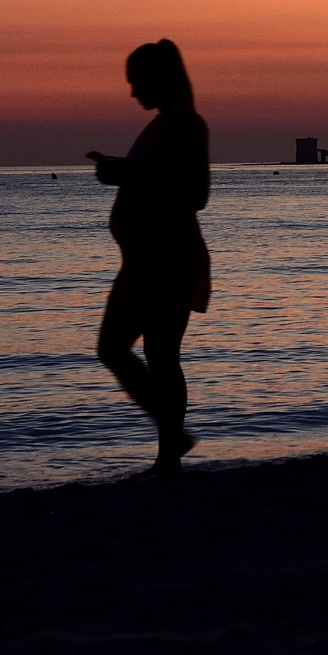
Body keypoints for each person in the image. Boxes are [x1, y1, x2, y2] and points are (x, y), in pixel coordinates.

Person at [87, 39, 211, 476]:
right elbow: (156, 175)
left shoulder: (186, 125)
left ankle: (169, 453)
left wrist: (126, 172)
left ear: (159, 79)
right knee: (121, 351)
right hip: (144, 264)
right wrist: (121, 168)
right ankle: (170, 448)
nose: (132, 92)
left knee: (155, 355)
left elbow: (195, 194)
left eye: (137, 82)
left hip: (169, 261)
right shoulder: (161, 125)